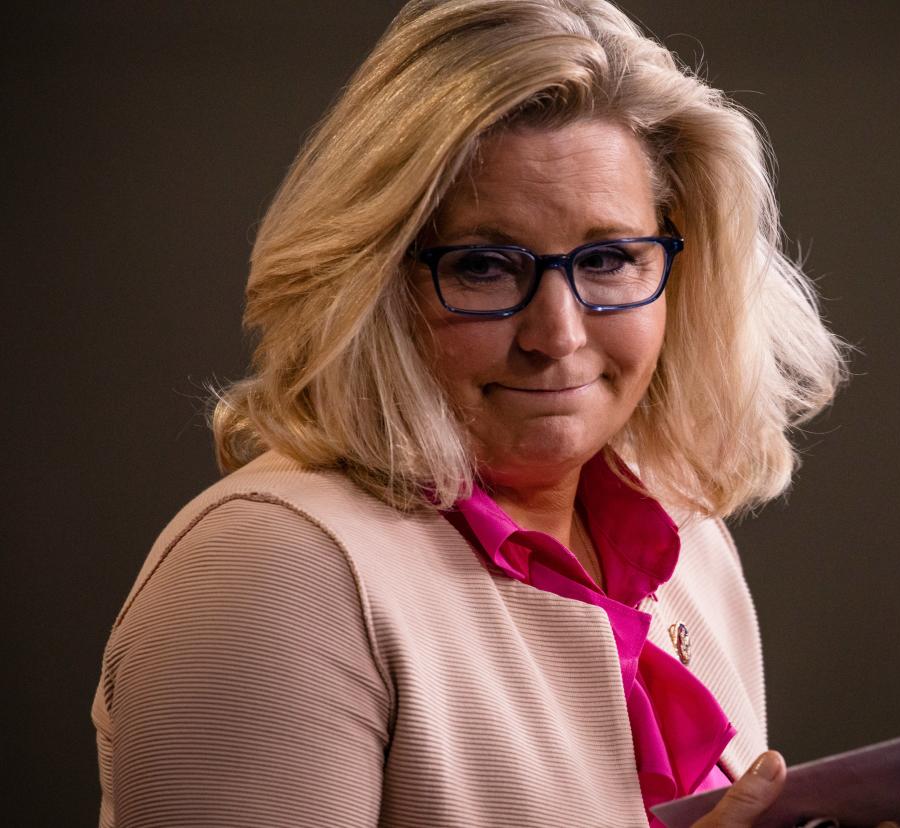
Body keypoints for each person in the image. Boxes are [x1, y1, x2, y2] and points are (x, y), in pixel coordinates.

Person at [91, 1, 850, 825]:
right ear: (372, 284)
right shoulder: (275, 569)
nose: (556, 336)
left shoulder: (686, 535)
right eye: (486, 266)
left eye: (607, 259)